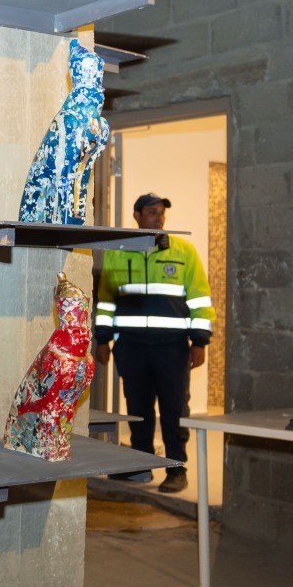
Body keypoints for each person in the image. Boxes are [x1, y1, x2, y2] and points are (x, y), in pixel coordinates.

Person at [94, 193, 214, 494]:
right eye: (151, 212)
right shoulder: (119, 253)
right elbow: (106, 301)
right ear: (137, 216)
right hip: (131, 346)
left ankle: (176, 469)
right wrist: (103, 339)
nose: (158, 218)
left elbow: (200, 299)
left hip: (172, 347)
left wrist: (200, 342)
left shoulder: (183, 251)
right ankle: (140, 466)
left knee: (174, 409)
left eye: (161, 213)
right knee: (138, 409)